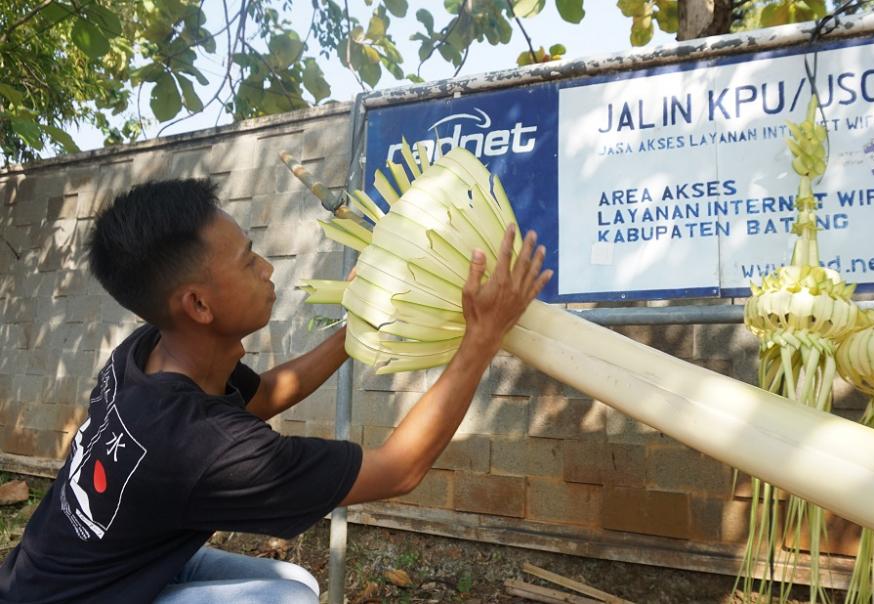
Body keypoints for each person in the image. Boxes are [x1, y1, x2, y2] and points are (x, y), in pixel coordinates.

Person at [0, 178, 551, 603]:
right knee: (286, 597)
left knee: (294, 581)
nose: (267, 268)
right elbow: (398, 470)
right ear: (198, 305)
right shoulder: (201, 446)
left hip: (62, 570)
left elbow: (263, 394)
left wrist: (354, 325)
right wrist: (481, 337)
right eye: (247, 260)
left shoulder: (146, 353)